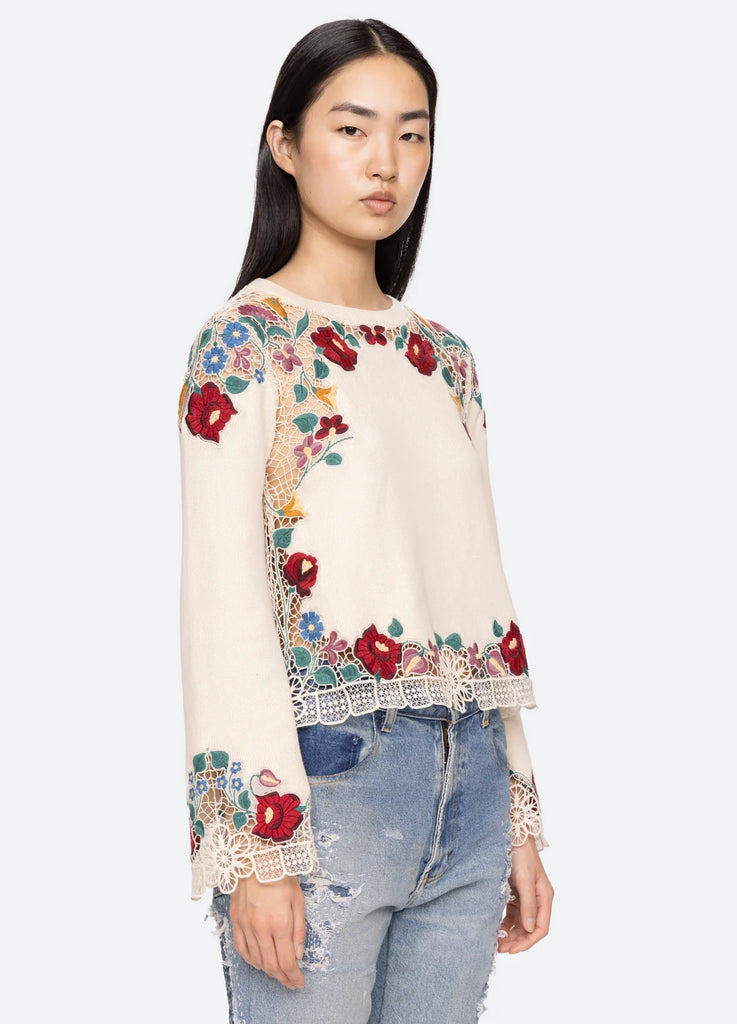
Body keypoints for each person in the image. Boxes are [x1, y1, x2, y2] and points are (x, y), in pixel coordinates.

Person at [177, 17, 554, 1023]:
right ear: (285, 144)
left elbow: (475, 590)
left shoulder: (445, 359)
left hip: (470, 780)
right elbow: (223, 604)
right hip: (327, 786)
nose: (385, 161)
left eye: (411, 132)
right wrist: (257, 847)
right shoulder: (245, 345)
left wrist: (519, 815)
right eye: (351, 129)